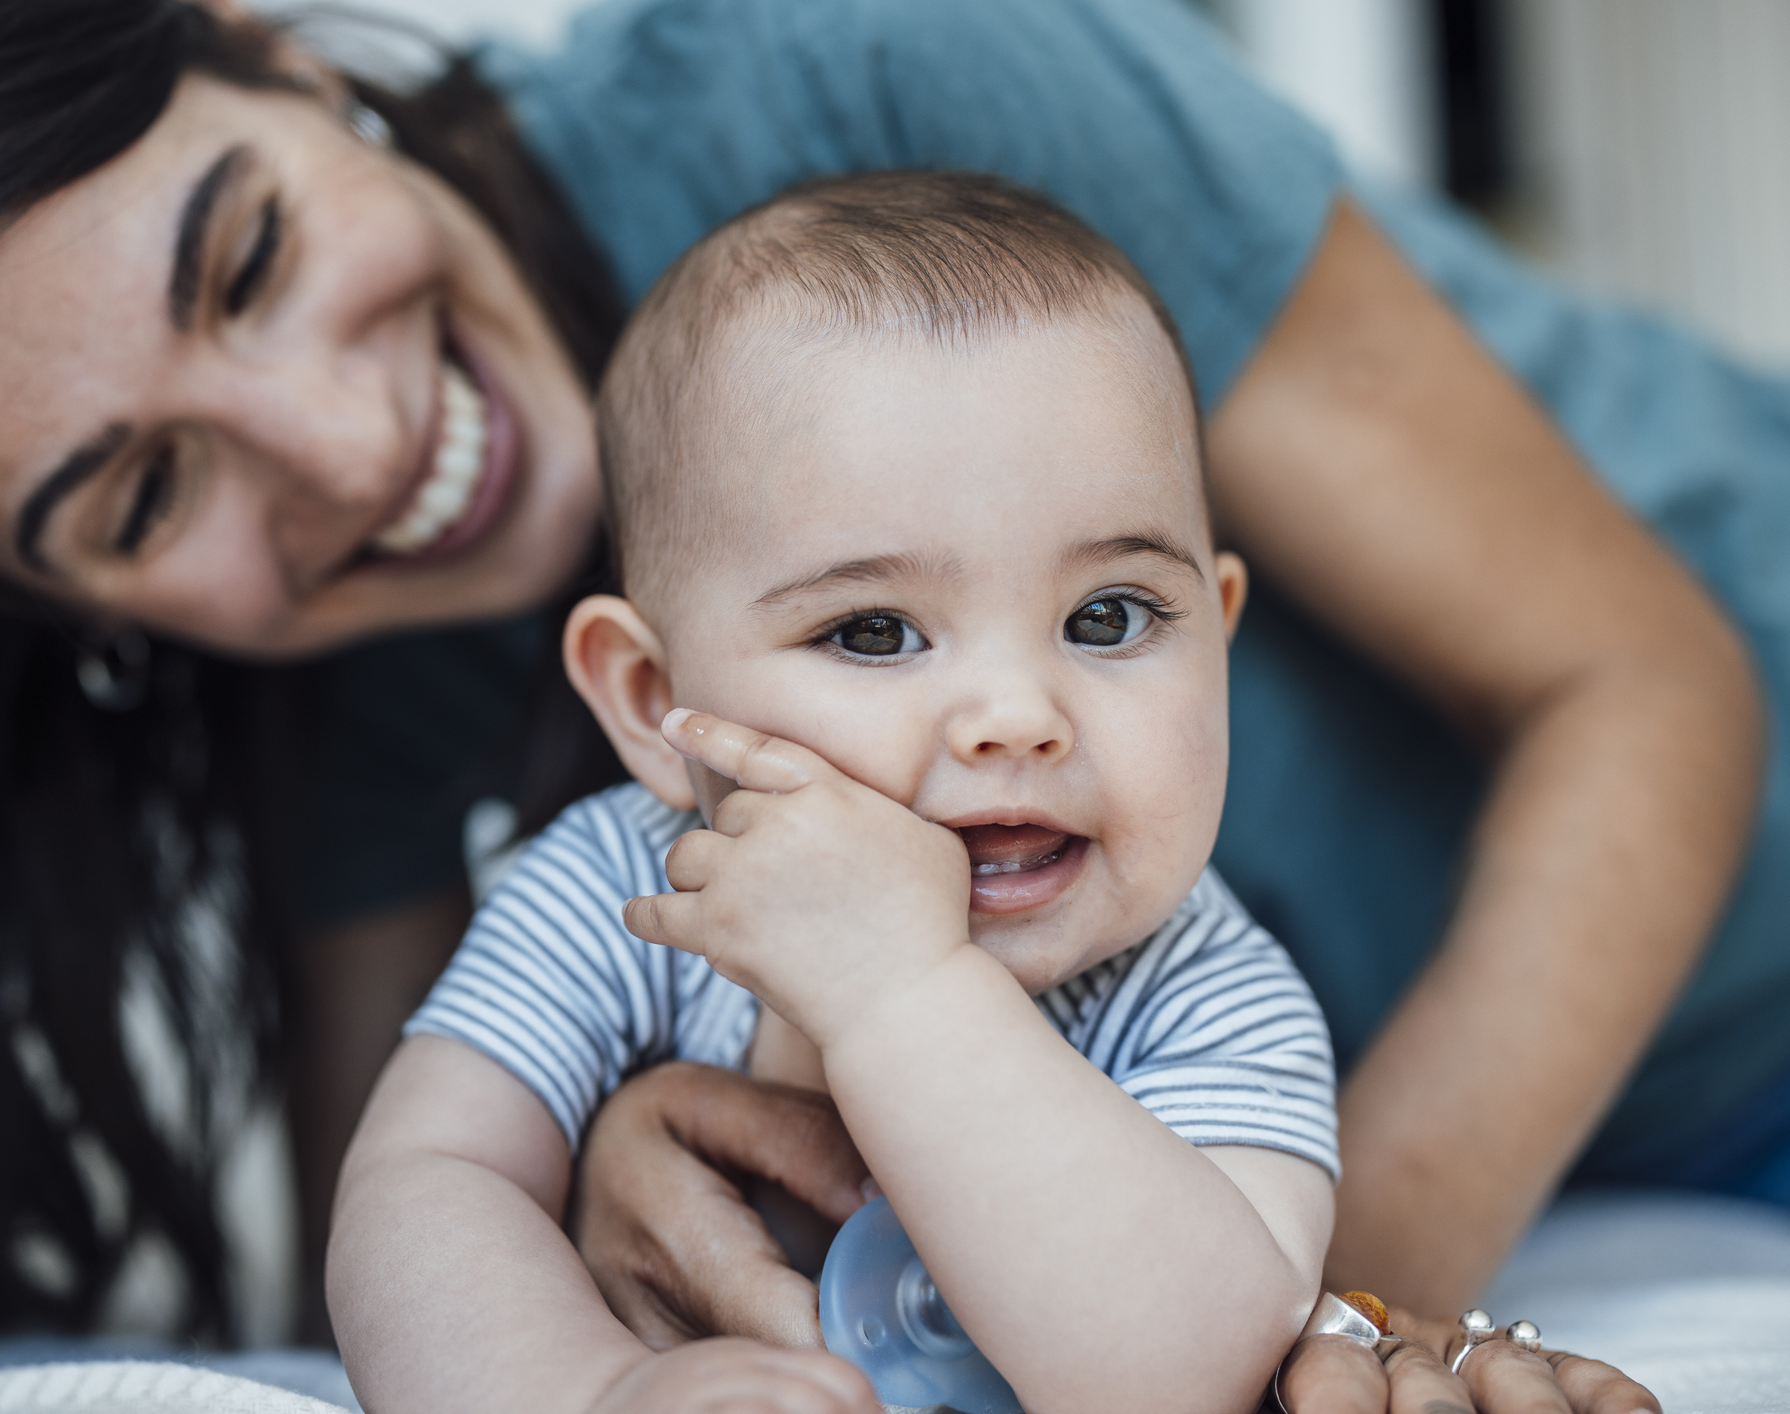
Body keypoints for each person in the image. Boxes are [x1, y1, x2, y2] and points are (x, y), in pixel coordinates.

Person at [0, 0, 1769, 1408]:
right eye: (139, 490)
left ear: (275, 57)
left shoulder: (869, 72)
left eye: (242, 258)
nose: (342, 440)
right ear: (638, 688)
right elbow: (401, 1220)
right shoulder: (393, 720)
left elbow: (1645, 681)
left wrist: (1330, 1329)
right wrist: (590, 1308)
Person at [332, 171, 1339, 1414]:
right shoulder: (619, 891)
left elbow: (1187, 1371)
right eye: (871, 632)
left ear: (1218, 638)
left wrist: (899, 988)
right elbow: (427, 1179)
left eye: (1108, 616)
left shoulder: (1195, 991)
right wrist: (590, 1392)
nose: (1016, 717)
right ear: (652, 700)